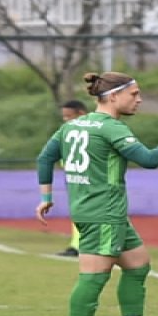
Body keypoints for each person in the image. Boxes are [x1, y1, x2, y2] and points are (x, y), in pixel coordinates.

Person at [36, 71, 158, 316]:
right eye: (134, 94)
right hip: (103, 212)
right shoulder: (111, 127)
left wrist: (45, 197)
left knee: (138, 265)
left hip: (104, 212)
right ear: (114, 96)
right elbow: (149, 160)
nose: (139, 100)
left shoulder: (74, 125)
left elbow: (45, 157)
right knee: (93, 276)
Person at [55, 99, 90, 258]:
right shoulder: (67, 132)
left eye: (68, 116)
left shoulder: (96, 130)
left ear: (81, 114)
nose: (65, 120)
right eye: (64, 117)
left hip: (93, 179)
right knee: (78, 212)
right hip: (74, 177)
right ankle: (76, 246)